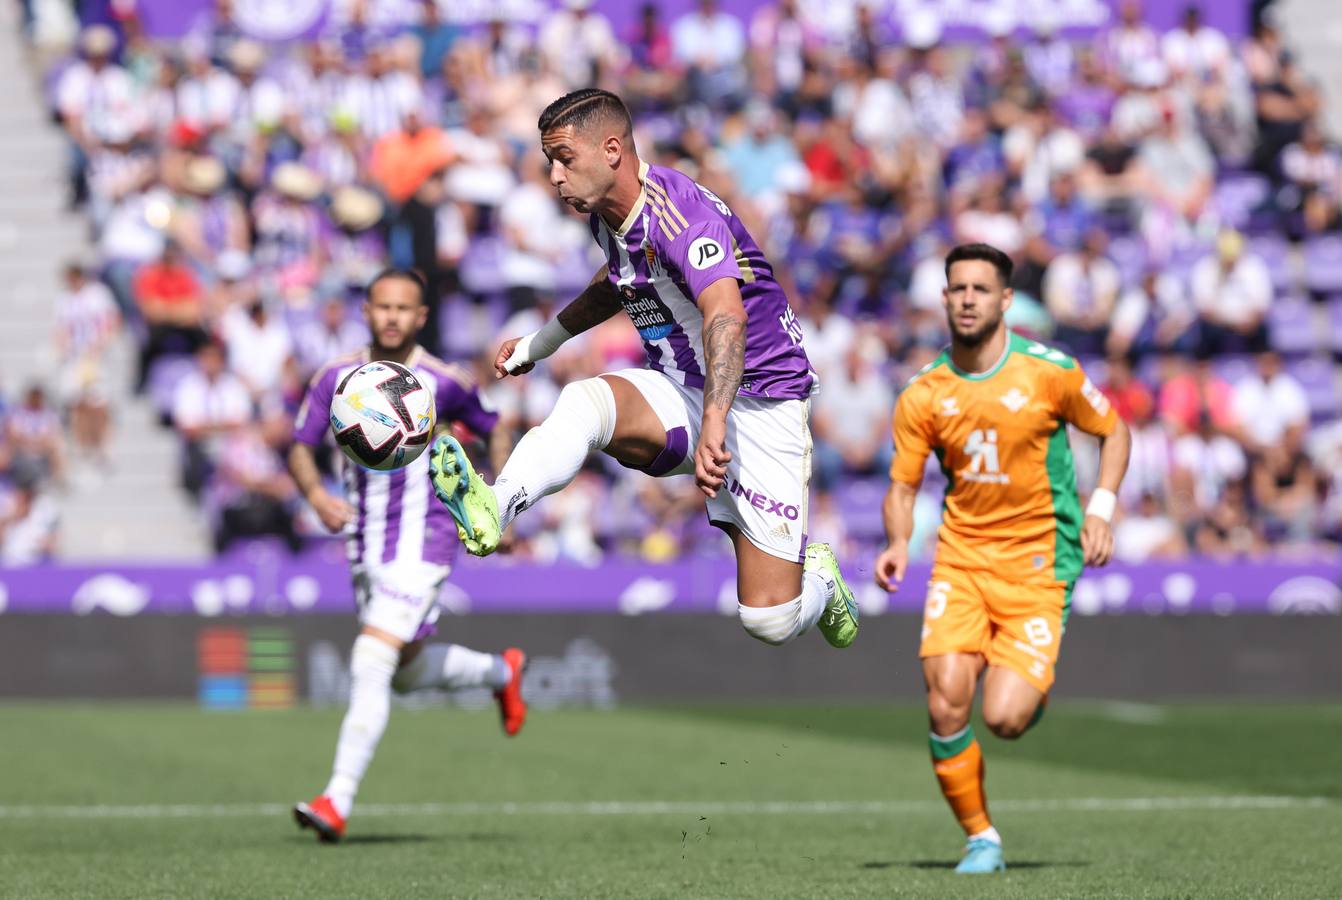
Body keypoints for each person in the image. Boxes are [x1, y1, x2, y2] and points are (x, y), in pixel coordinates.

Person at [429, 89, 859, 651]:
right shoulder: (607, 215)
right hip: (681, 388)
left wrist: (714, 422)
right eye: (548, 161)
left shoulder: (678, 213)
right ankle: (498, 501)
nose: (554, 176)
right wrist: (541, 343)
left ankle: (821, 578)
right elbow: (617, 283)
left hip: (759, 400)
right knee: (586, 402)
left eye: (564, 158)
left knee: (770, 622)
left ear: (611, 150)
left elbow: (726, 314)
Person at [873, 243, 1131, 874]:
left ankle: (1026, 683)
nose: (967, 300)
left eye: (980, 290)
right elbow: (903, 486)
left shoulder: (1050, 371)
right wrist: (898, 542)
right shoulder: (924, 393)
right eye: (957, 289)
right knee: (945, 699)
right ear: (943, 298)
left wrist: (1101, 508)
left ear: (1006, 300)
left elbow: (1114, 431)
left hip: (1040, 563)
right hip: (962, 561)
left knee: (1005, 718)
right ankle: (981, 836)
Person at [288, 269, 526, 843]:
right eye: (383, 306)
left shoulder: (444, 381)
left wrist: (497, 499)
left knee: (371, 660)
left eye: (404, 308)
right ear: (366, 310)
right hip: (365, 540)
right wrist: (318, 494)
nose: (392, 316)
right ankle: (501, 672)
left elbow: (494, 426)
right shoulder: (337, 377)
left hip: (427, 538)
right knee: (405, 671)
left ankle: (335, 800)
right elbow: (300, 446)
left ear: (421, 317)